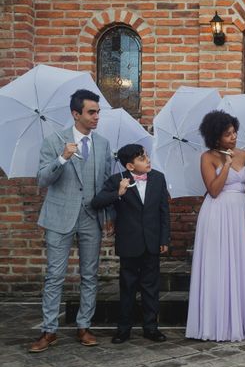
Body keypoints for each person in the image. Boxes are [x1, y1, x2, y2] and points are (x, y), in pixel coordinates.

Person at [29, 89, 113, 353]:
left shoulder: (103, 144)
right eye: (91, 112)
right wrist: (62, 158)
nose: (97, 116)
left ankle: (83, 326)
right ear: (76, 114)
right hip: (59, 216)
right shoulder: (54, 141)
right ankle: (49, 330)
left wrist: (108, 216)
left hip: (91, 217)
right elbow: (42, 179)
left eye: (98, 112)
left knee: (90, 274)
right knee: (55, 275)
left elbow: (106, 184)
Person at [185, 110, 245, 341]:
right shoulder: (207, 157)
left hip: (241, 212)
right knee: (218, 264)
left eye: (234, 132)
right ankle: (216, 324)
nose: (233, 137)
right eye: (228, 134)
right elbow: (213, 190)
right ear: (216, 137)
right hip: (217, 214)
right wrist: (228, 165)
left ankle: (244, 321)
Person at [91, 144, 170, 344]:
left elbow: (163, 211)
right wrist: (118, 192)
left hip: (152, 241)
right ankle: (123, 329)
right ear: (130, 165)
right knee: (127, 287)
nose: (148, 160)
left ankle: (151, 327)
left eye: (146, 156)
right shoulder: (117, 180)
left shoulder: (158, 178)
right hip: (129, 242)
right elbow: (96, 202)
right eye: (142, 158)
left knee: (151, 287)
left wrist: (164, 239)